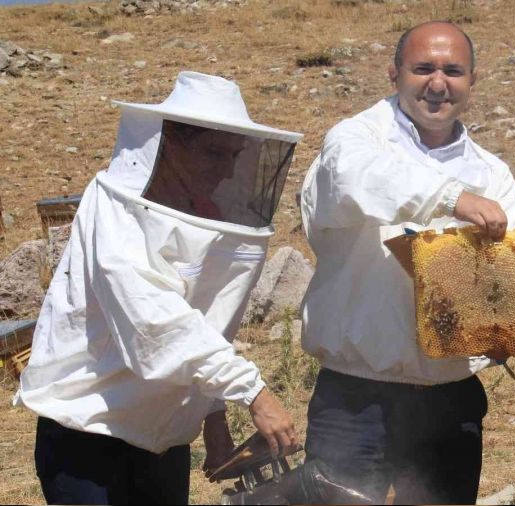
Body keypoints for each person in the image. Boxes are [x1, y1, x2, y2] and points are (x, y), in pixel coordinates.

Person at [15, 71, 301, 505]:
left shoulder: (207, 212)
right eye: (213, 154)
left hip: (163, 440)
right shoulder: (115, 209)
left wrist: (214, 417)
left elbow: (205, 324)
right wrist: (253, 392)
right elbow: (153, 320)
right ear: (173, 145)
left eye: (233, 155)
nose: (225, 170)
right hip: (88, 432)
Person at [298, 21, 515, 504]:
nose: (437, 83)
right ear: (394, 74)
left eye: (453, 71)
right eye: (422, 69)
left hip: (450, 397)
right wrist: (452, 199)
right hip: (356, 398)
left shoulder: (493, 173)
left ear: (472, 81)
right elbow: (356, 180)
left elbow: (503, 281)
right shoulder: (354, 140)